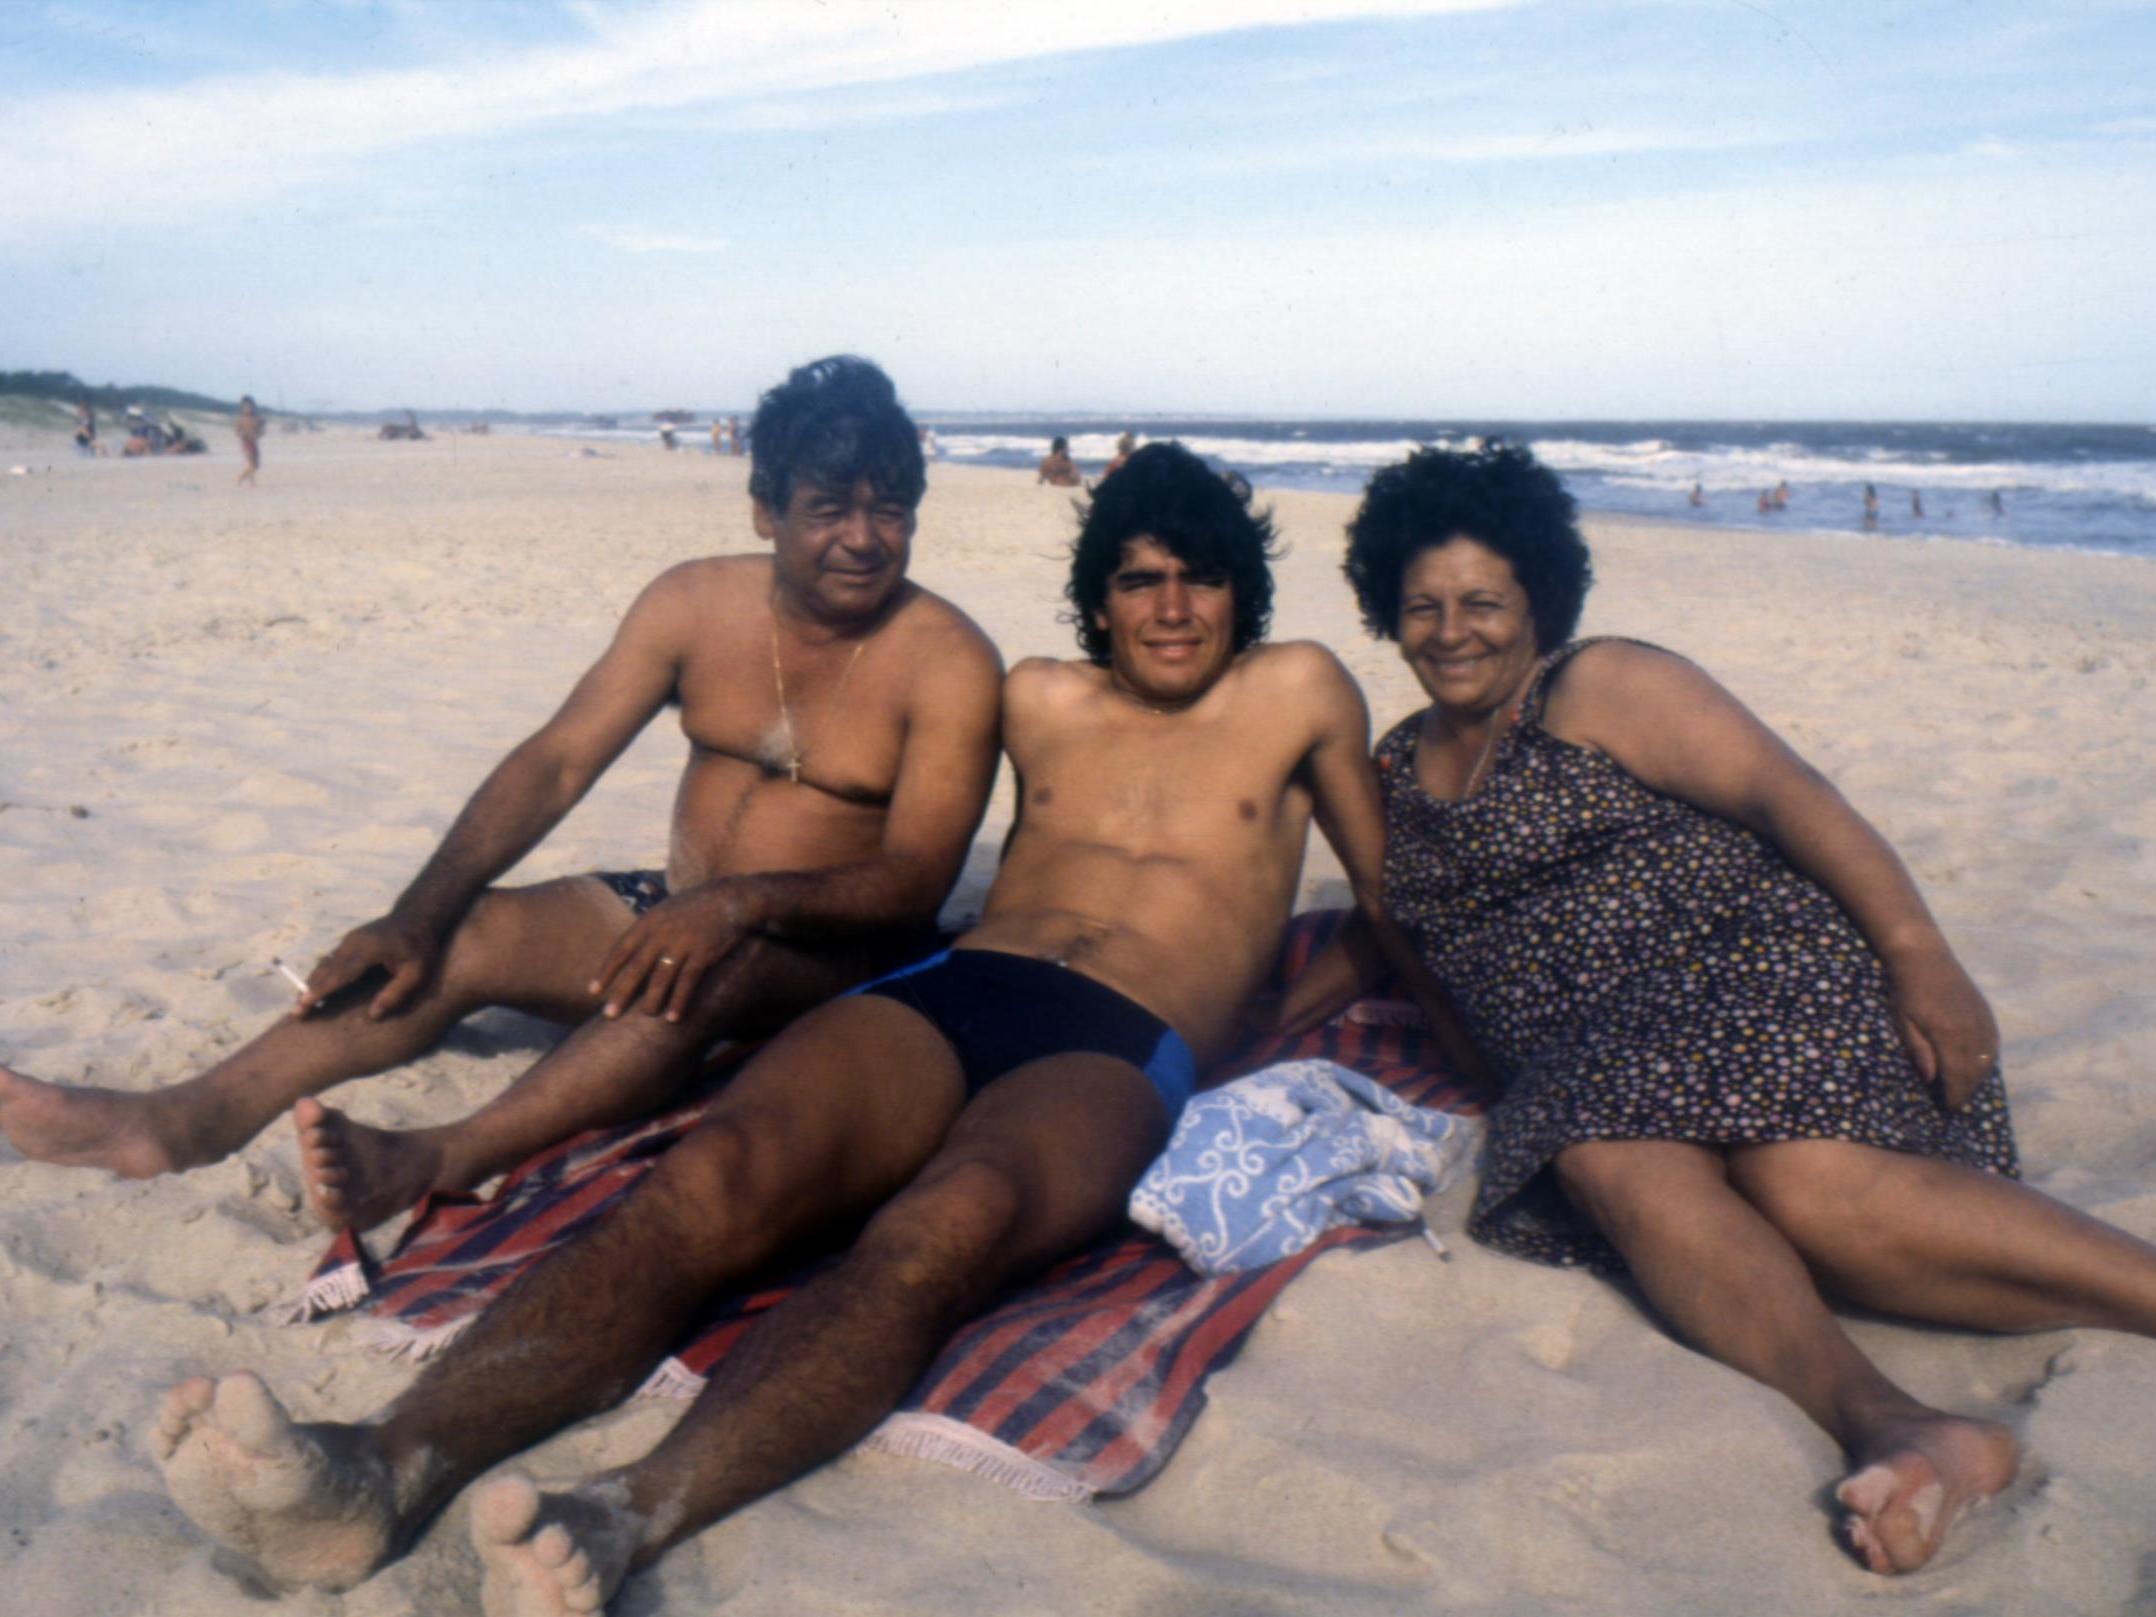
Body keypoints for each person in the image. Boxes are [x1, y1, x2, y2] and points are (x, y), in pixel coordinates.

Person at [146, 440, 1429, 1611]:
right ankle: (378, 1468)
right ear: (1099, 596)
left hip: (1118, 1037)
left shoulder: (1300, 691)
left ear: (1239, 592)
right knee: (712, 1178)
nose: (1169, 607)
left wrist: (1283, 1016)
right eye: (1140, 579)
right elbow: (892, 826)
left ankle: (622, 1513)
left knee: (947, 1223)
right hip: (959, 986)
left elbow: (1388, 900)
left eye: (1199, 581)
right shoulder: (1036, 695)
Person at [1306, 440, 2156, 1577]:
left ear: (1537, 602)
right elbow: (1400, 937)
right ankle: (1897, 1425)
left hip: (1752, 976)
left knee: (1802, 1185)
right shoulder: (1398, 767)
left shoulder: (1598, 683)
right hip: (1599, 1064)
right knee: (1603, 1156)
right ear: (1384, 610)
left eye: (1481, 602)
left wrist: (1920, 957)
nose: (1450, 630)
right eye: (1421, 606)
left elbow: (1787, 795)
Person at [0, 356, 1004, 1237]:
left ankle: (447, 1153)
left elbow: (913, 883)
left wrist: (737, 905)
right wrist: (417, 910)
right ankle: (183, 1119)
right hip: (681, 912)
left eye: (891, 510)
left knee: (711, 972)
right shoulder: (695, 602)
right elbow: (557, 762)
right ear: (765, 510)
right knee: (464, 931)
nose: (864, 539)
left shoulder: (946, 663)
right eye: (830, 510)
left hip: (826, 959)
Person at [235, 395, 264, 486]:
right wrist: (243, 434)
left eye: (250, 407)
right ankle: (240, 478)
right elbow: (237, 431)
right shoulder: (241, 419)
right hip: (246, 443)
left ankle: (252, 481)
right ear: (242, 408)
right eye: (245, 407)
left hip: (254, 443)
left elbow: (261, 431)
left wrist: (259, 432)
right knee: (252, 464)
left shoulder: (256, 418)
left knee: (256, 464)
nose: (248, 409)